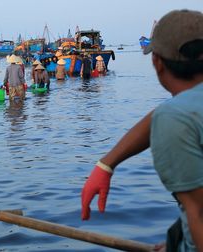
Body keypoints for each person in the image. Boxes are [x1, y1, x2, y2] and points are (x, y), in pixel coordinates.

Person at [81, 9, 203, 251]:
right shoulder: (183, 111)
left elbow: (199, 213)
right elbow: (171, 111)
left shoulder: (175, 119)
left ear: (156, 62)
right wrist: (106, 164)